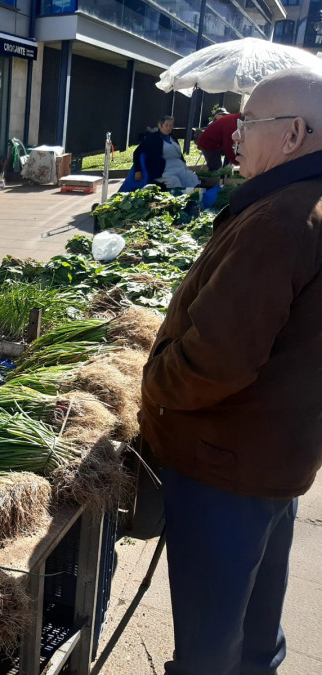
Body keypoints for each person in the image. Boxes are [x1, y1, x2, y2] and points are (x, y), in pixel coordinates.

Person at [140, 67, 322, 675]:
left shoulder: (280, 222)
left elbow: (214, 361)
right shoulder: (301, 204)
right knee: (255, 630)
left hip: (225, 465)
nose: (234, 134)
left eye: (250, 122)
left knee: (209, 641)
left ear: (293, 134)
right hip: (276, 455)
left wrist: (152, 387)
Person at [132, 115, 200, 189]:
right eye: (166, 125)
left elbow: (179, 154)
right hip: (162, 171)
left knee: (192, 177)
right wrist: (137, 170)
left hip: (178, 168)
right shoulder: (152, 138)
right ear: (160, 126)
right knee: (174, 181)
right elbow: (137, 152)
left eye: (171, 125)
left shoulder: (173, 138)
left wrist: (184, 164)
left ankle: (193, 198)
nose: (168, 128)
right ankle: (178, 199)